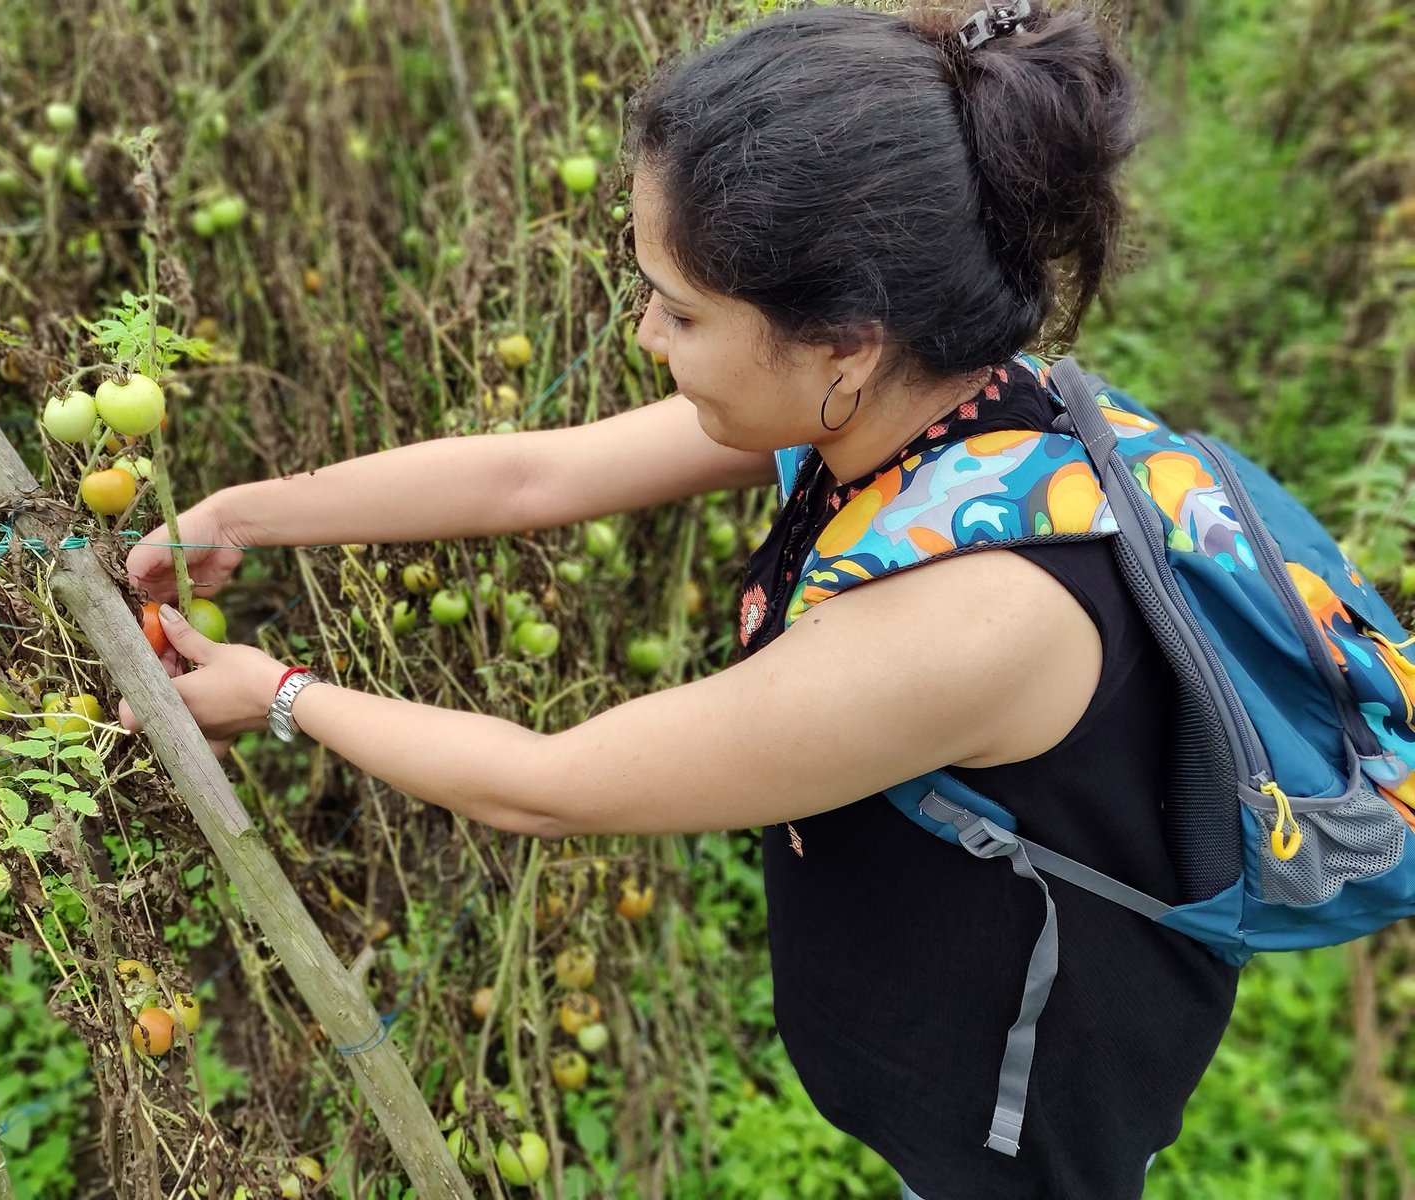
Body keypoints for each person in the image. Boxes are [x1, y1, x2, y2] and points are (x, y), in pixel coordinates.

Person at [122, 3, 1239, 1196]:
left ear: (840, 347)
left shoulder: (975, 622)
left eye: (684, 310)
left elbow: (546, 784)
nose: (644, 332)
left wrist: (281, 695)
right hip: (947, 1020)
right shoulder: (922, 402)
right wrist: (240, 514)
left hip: (1021, 1116)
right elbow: (529, 476)